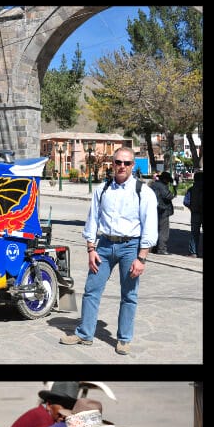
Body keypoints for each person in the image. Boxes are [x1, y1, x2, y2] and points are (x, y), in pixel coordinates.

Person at [60, 146, 158, 355]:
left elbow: (150, 226)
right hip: (104, 246)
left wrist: (141, 258)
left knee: (129, 294)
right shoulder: (102, 190)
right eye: (118, 162)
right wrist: (91, 249)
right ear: (112, 164)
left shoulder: (143, 192)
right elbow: (93, 220)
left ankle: (124, 339)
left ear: (133, 165)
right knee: (91, 290)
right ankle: (85, 334)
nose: (122, 166)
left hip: (130, 247)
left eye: (127, 163)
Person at [4, 382, 79, 427]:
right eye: (64, 406)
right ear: (49, 405)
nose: (66, 413)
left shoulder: (49, 417)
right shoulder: (40, 418)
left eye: (70, 407)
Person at [148, 171, 174, 254]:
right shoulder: (162, 186)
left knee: (155, 229)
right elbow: (169, 196)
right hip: (163, 210)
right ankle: (162, 249)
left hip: (154, 209)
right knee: (163, 230)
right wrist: (173, 189)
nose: (168, 182)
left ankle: (154, 248)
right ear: (165, 180)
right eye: (168, 180)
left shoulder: (153, 185)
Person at [187, 170, 202, 258]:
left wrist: (191, 208)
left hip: (195, 213)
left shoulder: (191, 189)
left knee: (194, 233)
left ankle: (193, 252)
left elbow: (186, 202)